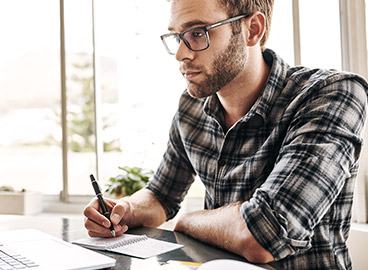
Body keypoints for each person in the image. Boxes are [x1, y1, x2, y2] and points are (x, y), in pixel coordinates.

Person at [83, 0, 368, 268]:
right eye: (176, 36)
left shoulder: (332, 94)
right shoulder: (191, 106)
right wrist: (124, 209)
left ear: (252, 29)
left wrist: (187, 221)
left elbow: (265, 234)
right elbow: (161, 195)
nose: (182, 54)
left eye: (197, 32)